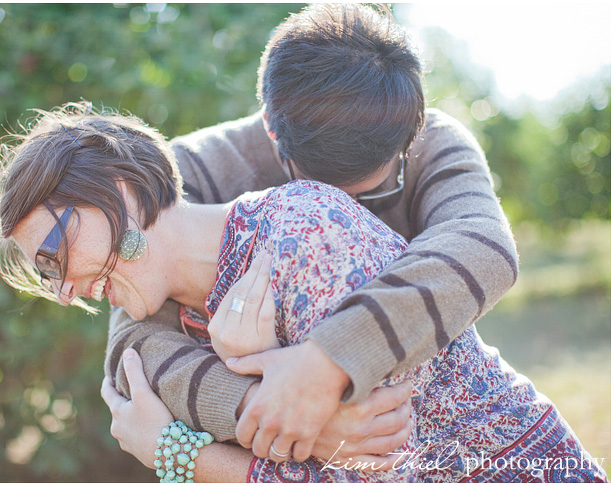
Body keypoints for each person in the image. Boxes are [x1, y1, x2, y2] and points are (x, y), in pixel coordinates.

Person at [0, 101, 606, 482]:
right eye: (41, 276)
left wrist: (175, 453)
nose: (61, 290)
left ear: (119, 187)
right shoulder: (187, 307)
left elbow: (388, 466)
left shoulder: (300, 231)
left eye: (54, 253)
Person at [103, 2, 503, 465]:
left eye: (372, 193)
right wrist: (269, 409)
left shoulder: (431, 141)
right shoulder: (189, 173)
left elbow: (484, 247)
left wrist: (325, 364)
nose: (338, 217)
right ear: (271, 128)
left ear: (408, 138)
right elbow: (135, 342)